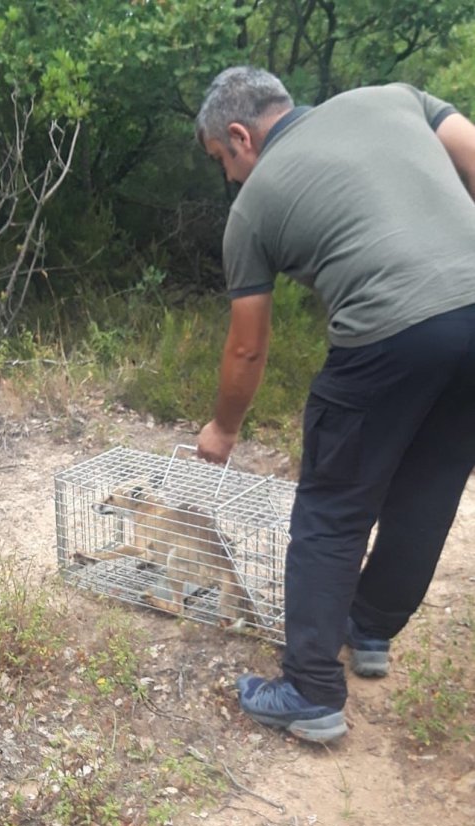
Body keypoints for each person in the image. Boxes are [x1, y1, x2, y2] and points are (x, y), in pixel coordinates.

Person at [194, 66, 475, 743]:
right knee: (429, 489)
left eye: (222, 162)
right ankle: (369, 629)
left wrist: (222, 429)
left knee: (332, 508)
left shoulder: (253, 208)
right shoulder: (395, 96)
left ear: (241, 136)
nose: (230, 178)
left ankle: (312, 691)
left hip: (387, 335)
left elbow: (247, 350)